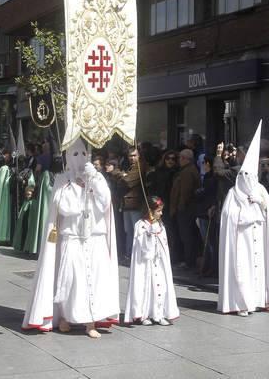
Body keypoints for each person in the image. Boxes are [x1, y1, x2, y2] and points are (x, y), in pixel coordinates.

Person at [22, 137, 119, 338]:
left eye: (84, 154)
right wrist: (76, 188)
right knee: (71, 279)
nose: (80, 158)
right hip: (72, 236)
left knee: (95, 279)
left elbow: (106, 202)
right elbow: (64, 207)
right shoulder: (62, 180)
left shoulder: (97, 177)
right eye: (75, 154)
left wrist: (94, 181)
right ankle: (65, 317)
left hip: (94, 236)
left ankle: (90, 321)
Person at [218, 121, 269, 316]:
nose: (248, 180)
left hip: (258, 239)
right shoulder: (233, 193)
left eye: (251, 176)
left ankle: (258, 299)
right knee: (242, 270)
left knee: (258, 269)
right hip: (241, 241)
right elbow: (229, 216)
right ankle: (241, 303)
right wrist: (247, 214)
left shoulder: (260, 190)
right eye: (244, 176)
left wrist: (260, 204)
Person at [124, 196, 179, 326]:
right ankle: (145, 314)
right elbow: (142, 248)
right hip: (146, 264)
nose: (161, 213)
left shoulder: (160, 225)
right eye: (158, 211)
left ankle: (159, 314)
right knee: (146, 288)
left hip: (158, 262)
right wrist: (149, 234)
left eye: (161, 210)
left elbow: (164, 244)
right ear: (150, 210)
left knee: (161, 287)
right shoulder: (140, 225)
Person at [169, 148, 201, 269]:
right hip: (185, 209)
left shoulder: (188, 172)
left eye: (180, 158)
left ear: (185, 159)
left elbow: (185, 192)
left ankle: (189, 261)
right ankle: (187, 260)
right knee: (186, 236)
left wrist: (180, 208)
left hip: (186, 210)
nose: (179, 160)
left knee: (186, 236)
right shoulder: (186, 170)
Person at [119, 146, 145, 260]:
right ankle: (129, 254)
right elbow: (121, 183)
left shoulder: (140, 167)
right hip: (127, 203)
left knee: (137, 231)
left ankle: (137, 254)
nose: (132, 158)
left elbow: (128, 182)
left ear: (139, 156)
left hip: (136, 203)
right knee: (128, 231)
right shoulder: (129, 167)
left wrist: (121, 175)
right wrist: (122, 176)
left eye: (134, 155)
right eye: (130, 156)